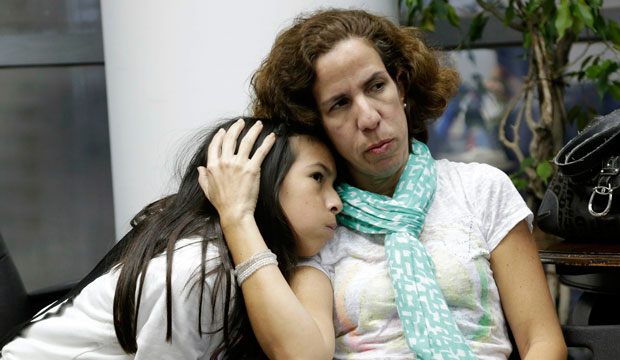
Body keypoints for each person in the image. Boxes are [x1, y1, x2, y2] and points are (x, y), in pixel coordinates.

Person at [235, 8, 566, 359]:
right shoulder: (319, 223)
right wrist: (236, 216)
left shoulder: (480, 188)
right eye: (339, 104)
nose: (368, 117)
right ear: (316, 124)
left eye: (376, 86)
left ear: (401, 86)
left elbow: (542, 342)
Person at [0, 117, 343, 360]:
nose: (336, 202)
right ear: (260, 180)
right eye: (317, 178)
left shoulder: (244, 260)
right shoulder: (201, 268)